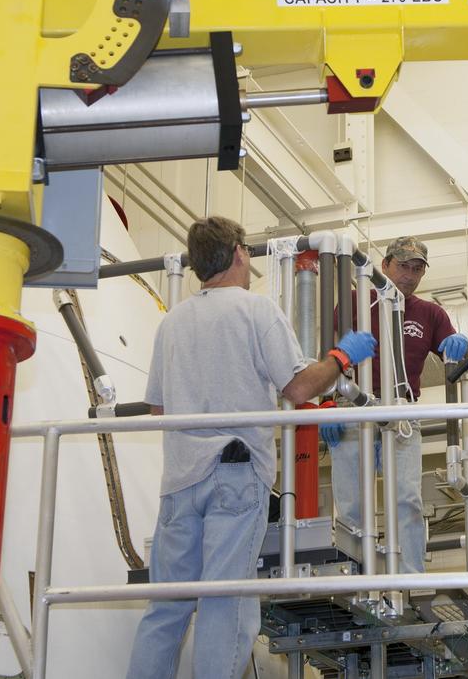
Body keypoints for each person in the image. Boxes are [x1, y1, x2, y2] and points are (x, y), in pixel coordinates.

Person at [125, 216, 377, 679]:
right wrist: (342, 358)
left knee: (166, 610)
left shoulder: (172, 322)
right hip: (235, 476)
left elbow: (159, 409)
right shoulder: (256, 311)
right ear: (240, 253)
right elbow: (299, 389)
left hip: (179, 482)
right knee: (226, 601)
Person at [319, 236, 468, 573]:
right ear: (384, 265)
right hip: (353, 407)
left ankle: (411, 579)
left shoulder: (429, 313)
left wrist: (456, 345)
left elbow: (451, 350)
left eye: (417, 269)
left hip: (402, 412)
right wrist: (327, 401)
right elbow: (329, 355)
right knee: (351, 505)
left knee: (408, 500)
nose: (410, 275)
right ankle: (353, 579)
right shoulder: (355, 301)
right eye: (403, 266)